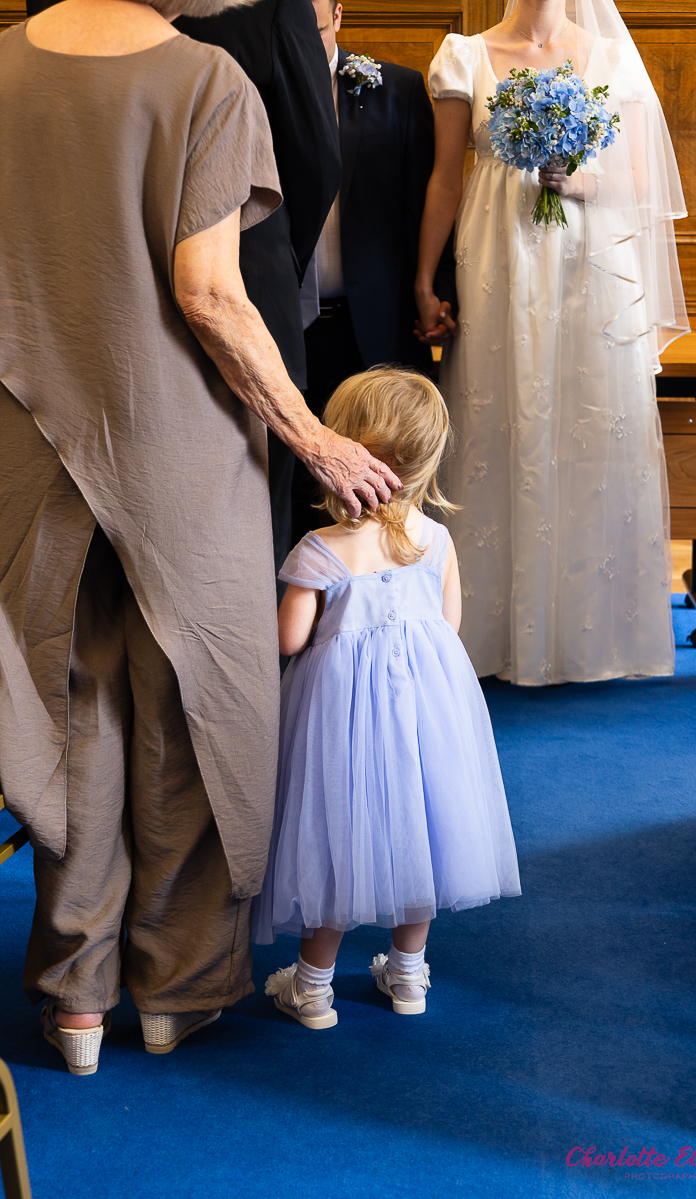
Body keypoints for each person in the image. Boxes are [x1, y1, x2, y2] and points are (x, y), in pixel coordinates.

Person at [0, 0, 399, 1075]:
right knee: (191, 706)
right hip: (178, 443)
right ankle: (174, 992)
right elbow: (210, 293)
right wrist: (314, 438)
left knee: (73, 711)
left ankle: (74, 999)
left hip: (28, 445)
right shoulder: (204, 82)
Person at [415, 0, 689, 686]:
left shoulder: (611, 58)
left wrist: (579, 181)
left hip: (589, 268)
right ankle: (493, 632)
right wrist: (423, 279)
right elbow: (448, 177)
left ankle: (589, 634)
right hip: (498, 267)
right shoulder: (464, 57)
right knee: (499, 421)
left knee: (590, 420)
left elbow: (641, 180)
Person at [252, 369, 521, 1026]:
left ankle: (313, 989)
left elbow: (289, 639)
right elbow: (448, 625)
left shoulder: (321, 549)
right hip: (426, 714)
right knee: (421, 835)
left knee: (337, 840)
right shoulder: (437, 540)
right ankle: (407, 976)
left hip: (340, 721)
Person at [174, 0, 342, 575]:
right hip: (250, 272)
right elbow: (317, 158)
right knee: (258, 487)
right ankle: (252, 653)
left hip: (115, 272)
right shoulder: (275, 5)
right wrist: (275, 247)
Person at [290, 0, 457, 544]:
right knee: (295, 488)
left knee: (387, 485)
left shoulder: (398, 91)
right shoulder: (256, 89)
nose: (303, 43)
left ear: (338, 16)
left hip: (377, 323)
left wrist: (435, 294)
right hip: (289, 327)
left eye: (313, 28)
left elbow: (427, 201)